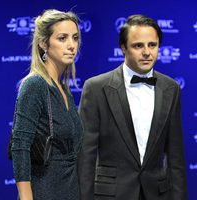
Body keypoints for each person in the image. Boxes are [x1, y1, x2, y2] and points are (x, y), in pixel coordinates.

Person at [78, 14, 187, 200]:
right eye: (138, 46)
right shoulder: (96, 88)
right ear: (123, 48)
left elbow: (175, 158)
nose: (147, 52)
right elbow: (85, 156)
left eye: (152, 45)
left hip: (158, 194)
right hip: (110, 195)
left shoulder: (171, 88)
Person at [11, 9, 83, 200]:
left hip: (71, 190)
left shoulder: (63, 88)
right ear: (44, 43)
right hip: (44, 191)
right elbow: (20, 147)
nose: (71, 45)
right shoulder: (34, 85)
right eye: (62, 38)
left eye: (75, 38)